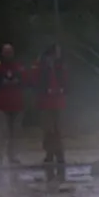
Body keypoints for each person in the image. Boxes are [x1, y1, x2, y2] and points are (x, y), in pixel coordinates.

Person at [31, 44, 68, 183]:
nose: (58, 54)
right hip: (46, 102)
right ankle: (50, 155)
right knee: (48, 131)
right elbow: (34, 81)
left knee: (57, 130)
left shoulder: (60, 65)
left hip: (57, 102)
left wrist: (62, 90)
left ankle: (58, 155)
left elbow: (65, 80)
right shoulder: (40, 64)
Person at [0, 43, 27, 166]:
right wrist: (2, 83)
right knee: (2, 131)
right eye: (6, 52)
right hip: (2, 105)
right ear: (2, 53)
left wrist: (17, 81)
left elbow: (26, 81)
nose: (8, 54)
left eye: (10, 52)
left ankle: (12, 156)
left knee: (16, 133)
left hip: (17, 105)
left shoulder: (19, 66)